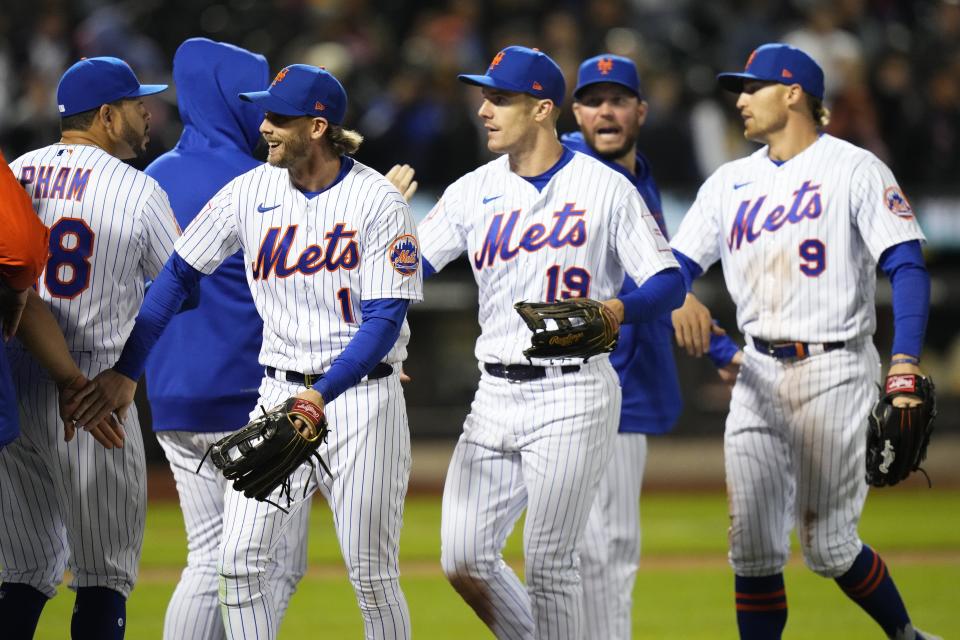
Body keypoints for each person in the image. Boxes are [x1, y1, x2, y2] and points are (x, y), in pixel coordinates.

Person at [79, 63, 423, 640]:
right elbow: (173, 280)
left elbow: (384, 320)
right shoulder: (249, 189)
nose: (263, 125)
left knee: (371, 575)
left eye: (277, 117)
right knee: (237, 564)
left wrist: (320, 395)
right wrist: (124, 371)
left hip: (361, 403)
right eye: (263, 114)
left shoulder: (377, 202)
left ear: (318, 127)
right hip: (280, 393)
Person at [670, 43, 940, 640]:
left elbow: (908, 264)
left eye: (752, 87)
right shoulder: (729, 182)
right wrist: (679, 292)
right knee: (753, 551)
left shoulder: (855, 168)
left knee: (828, 548)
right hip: (756, 375)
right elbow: (674, 270)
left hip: (835, 369)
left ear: (793, 93)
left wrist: (902, 365)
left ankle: (906, 635)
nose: (738, 100)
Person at [417, 45, 685, 639]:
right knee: (463, 557)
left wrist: (618, 307)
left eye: (499, 99)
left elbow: (669, 282)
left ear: (542, 109)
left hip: (574, 392)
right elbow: (403, 270)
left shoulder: (607, 187)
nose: (484, 110)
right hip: (494, 394)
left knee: (551, 565)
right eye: (484, 97)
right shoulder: (471, 190)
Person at [560, 54, 741, 639]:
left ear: (641, 110)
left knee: (601, 547)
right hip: (573, 381)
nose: (605, 111)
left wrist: (717, 349)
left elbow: (661, 282)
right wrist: (672, 292)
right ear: (574, 112)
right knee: (594, 549)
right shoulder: (568, 169)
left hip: (624, 381)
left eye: (617, 100)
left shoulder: (639, 175)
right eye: (592, 100)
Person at [139, 38, 313, 640]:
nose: (262, 115)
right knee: (275, 564)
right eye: (252, 98)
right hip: (248, 396)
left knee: (208, 553)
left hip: (170, 396)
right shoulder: (262, 182)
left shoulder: (152, 176)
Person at [0, 56, 179, 639]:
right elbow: (180, 288)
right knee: (104, 575)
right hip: (96, 394)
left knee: (23, 569)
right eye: (135, 104)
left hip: (14, 385)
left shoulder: (19, 171)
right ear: (106, 115)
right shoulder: (138, 188)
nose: (146, 113)